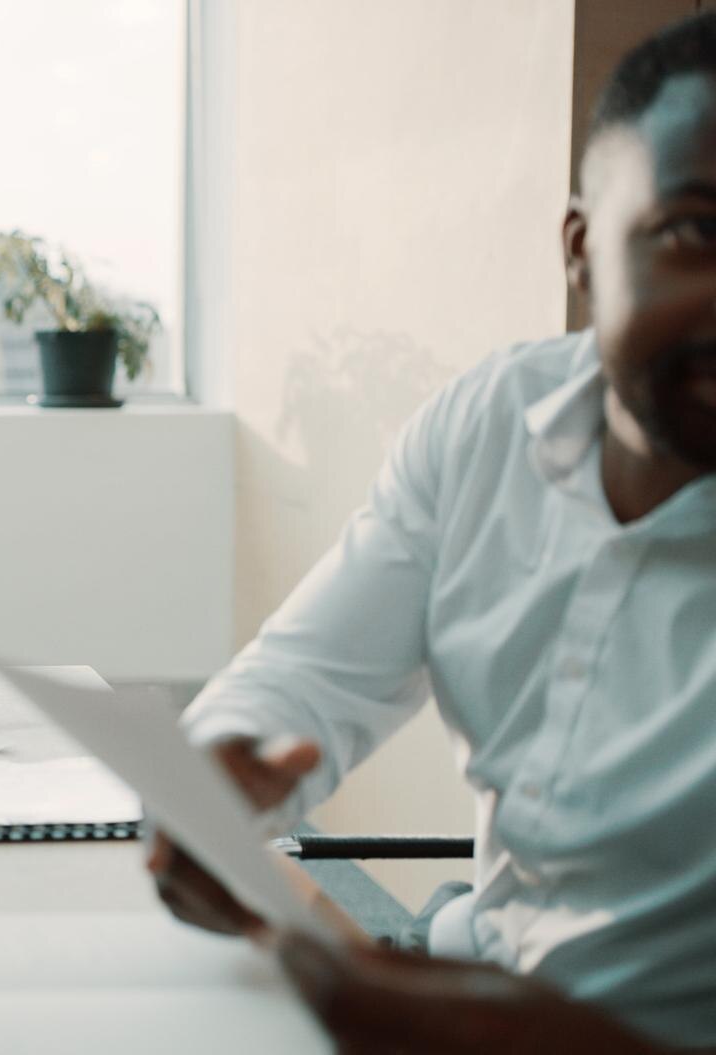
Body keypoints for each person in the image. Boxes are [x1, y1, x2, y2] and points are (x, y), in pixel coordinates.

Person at [149, 13, 716, 1052]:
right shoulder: (490, 423)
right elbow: (300, 676)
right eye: (694, 232)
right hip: (455, 964)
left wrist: (364, 987)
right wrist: (217, 773)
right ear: (582, 250)